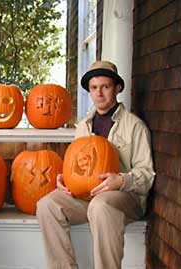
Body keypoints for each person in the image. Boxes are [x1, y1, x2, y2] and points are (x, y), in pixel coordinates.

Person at [36, 60, 155, 269]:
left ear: (117, 88)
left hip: (124, 198)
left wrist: (121, 180)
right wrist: (63, 178)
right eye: (94, 88)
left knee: (101, 206)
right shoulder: (83, 126)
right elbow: (76, 164)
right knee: (47, 205)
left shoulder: (134, 126)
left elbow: (147, 175)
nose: (99, 93)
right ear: (89, 91)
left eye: (105, 87)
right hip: (86, 196)